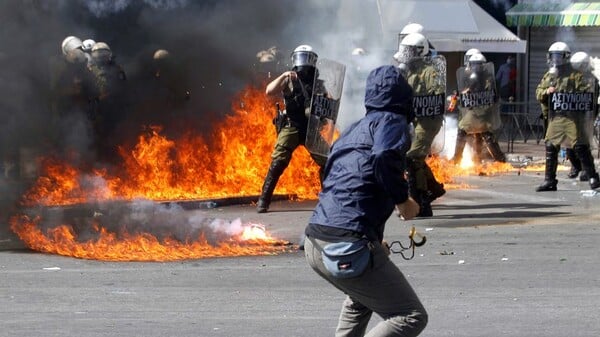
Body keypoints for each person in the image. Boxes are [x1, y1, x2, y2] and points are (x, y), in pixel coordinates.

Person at [304, 65, 427, 337]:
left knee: (361, 298)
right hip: (345, 246)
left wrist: (370, 238)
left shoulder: (352, 131)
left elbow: (337, 179)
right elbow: (384, 156)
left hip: (315, 241)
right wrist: (403, 200)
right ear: (404, 97)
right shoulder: (392, 121)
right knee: (410, 315)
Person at [257, 45, 327, 213]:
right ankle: (263, 200)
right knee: (278, 161)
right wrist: (284, 75)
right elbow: (269, 91)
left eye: (306, 57)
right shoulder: (289, 79)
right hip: (292, 125)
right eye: (301, 57)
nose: (303, 61)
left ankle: (328, 200)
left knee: (328, 160)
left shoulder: (318, 82)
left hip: (311, 128)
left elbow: (326, 104)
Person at [535, 42, 600, 191]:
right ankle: (550, 180)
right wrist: (547, 92)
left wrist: (574, 94)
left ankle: (593, 177)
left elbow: (587, 92)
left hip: (573, 117)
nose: (555, 60)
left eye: (558, 56)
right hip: (557, 116)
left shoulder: (576, 74)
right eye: (553, 56)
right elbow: (539, 92)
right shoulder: (550, 75)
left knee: (580, 146)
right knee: (551, 145)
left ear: (566, 57)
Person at [395, 32, 446, 217]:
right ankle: (433, 189)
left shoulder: (429, 71)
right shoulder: (410, 70)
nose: (407, 54)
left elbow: (436, 93)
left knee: (413, 158)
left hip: (427, 122)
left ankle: (421, 203)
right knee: (415, 158)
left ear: (419, 51)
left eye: (410, 51)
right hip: (416, 120)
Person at [452, 52, 506, 164]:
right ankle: (484, 158)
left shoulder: (488, 79)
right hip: (474, 110)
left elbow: (492, 95)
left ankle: (457, 159)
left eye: (478, 64)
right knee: (483, 134)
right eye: (474, 64)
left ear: (483, 66)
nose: (475, 67)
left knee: (463, 130)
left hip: (481, 111)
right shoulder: (471, 77)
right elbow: (464, 90)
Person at [87, 41, 128, 163]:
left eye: (103, 53)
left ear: (109, 54)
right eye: (97, 54)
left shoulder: (117, 69)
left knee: (115, 133)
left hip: (115, 106)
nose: (100, 56)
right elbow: (87, 88)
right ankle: (100, 159)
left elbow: (123, 86)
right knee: (97, 134)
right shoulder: (89, 70)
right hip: (97, 107)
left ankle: (115, 158)